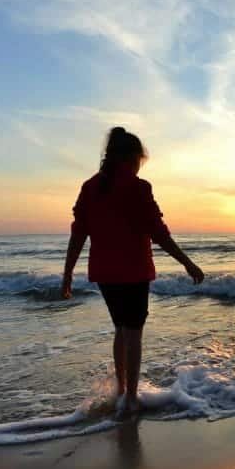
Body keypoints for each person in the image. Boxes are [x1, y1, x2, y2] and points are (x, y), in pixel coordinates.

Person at [61, 127, 204, 418]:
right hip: (134, 271)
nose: (140, 165)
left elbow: (78, 235)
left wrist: (67, 274)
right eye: (139, 159)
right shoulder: (139, 188)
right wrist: (187, 262)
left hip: (105, 273)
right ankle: (130, 397)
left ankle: (123, 389)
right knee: (134, 333)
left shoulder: (90, 188)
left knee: (121, 329)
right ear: (129, 158)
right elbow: (159, 234)